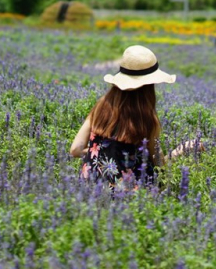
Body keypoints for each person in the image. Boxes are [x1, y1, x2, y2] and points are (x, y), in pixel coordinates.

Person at [70, 45, 201, 189]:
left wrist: (102, 152)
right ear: (149, 86)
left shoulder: (101, 106)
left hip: (88, 191)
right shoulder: (148, 120)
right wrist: (182, 150)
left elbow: (75, 149)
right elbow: (159, 165)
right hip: (130, 199)